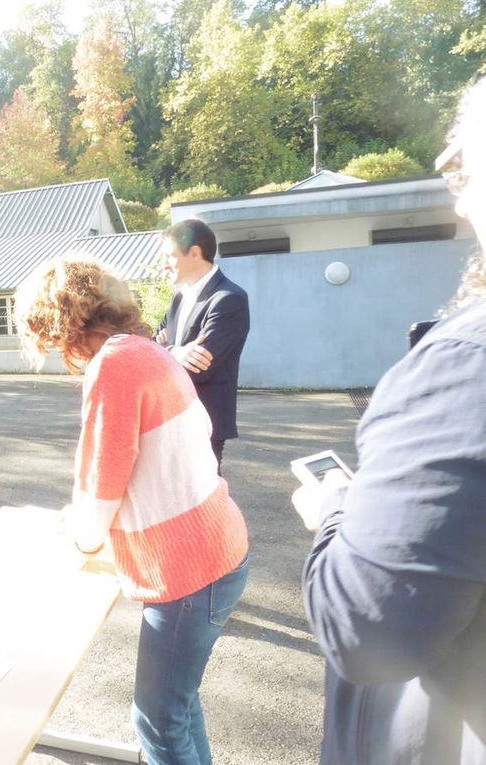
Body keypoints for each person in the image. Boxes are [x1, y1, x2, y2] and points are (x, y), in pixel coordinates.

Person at [293, 77, 486, 765]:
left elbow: (363, 626)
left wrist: (336, 508)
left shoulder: (467, 364)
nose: (455, 187)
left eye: (464, 160)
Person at [13, 256, 249, 765]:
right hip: (213, 551)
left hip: (189, 570)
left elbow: (102, 478)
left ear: (62, 322)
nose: (58, 352)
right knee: (178, 709)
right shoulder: (147, 350)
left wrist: (80, 536)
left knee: (157, 720)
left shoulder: (115, 364)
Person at [156, 219, 249, 472]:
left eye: (169, 256)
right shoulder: (179, 296)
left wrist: (167, 350)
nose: (164, 264)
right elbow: (154, 342)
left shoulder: (228, 299)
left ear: (194, 253)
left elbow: (200, 367)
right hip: (170, 417)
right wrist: (176, 352)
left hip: (203, 421)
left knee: (204, 499)